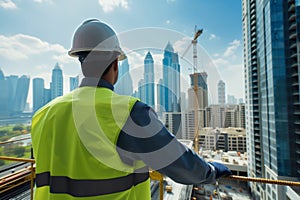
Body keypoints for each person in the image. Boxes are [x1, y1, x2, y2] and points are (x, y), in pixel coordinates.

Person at [31, 19, 231, 200]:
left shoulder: (43, 115)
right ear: (115, 64)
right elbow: (181, 165)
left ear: (80, 62)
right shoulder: (127, 112)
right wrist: (211, 171)